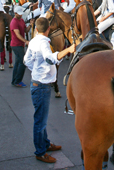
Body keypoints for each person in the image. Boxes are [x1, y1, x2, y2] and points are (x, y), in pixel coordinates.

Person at [23, 17, 75, 164]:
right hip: (42, 86)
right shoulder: (44, 42)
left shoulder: (33, 41)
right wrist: (68, 50)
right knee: (40, 121)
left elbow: (27, 61)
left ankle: (45, 144)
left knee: (41, 118)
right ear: (48, 29)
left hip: (37, 83)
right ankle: (40, 152)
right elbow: (50, 59)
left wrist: (37, 71)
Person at [11, 6, 29, 87]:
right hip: (16, 45)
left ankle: (14, 80)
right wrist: (25, 41)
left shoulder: (21, 20)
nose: (21, 16)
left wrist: (30, 25)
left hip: (20, 44)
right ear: (15, 13)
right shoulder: (14, 22)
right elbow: (17, 34)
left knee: (18, 63)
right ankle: (18, 81)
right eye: (19, 14)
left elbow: (26, 30)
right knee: (22, 63)